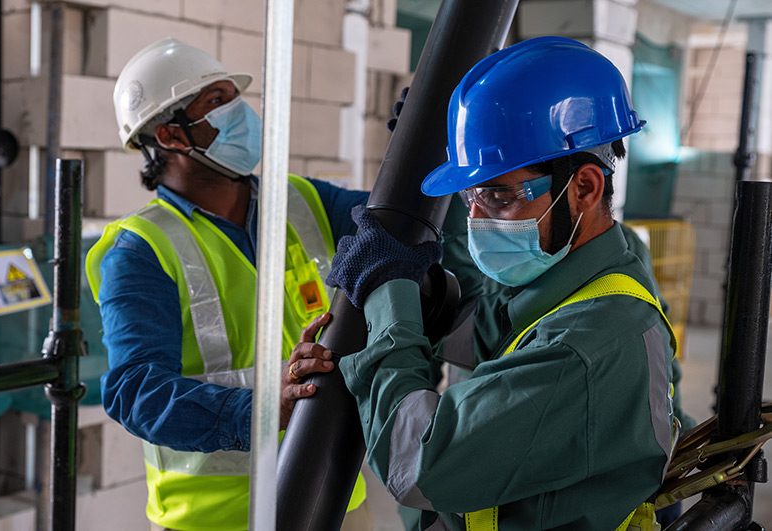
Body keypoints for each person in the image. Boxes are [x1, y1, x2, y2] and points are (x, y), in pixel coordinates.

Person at [325, 36, 679, 530]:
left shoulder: (591, 340)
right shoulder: (565, 283)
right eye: (471, 195)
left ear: (584, 187)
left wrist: (389, 293)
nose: (477, 219)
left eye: (497, 194)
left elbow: (418, 465)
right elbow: (484, 329)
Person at [84, 37, 369, 531]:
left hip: (336, 496)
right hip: (215, 519)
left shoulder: (301, 198)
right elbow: (137, 391)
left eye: (234, 97)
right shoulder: (140, 250)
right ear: (172, 136)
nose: (241, 113)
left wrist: (430, 141)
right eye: (217, 102)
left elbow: (394, 224)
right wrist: (261, 410)